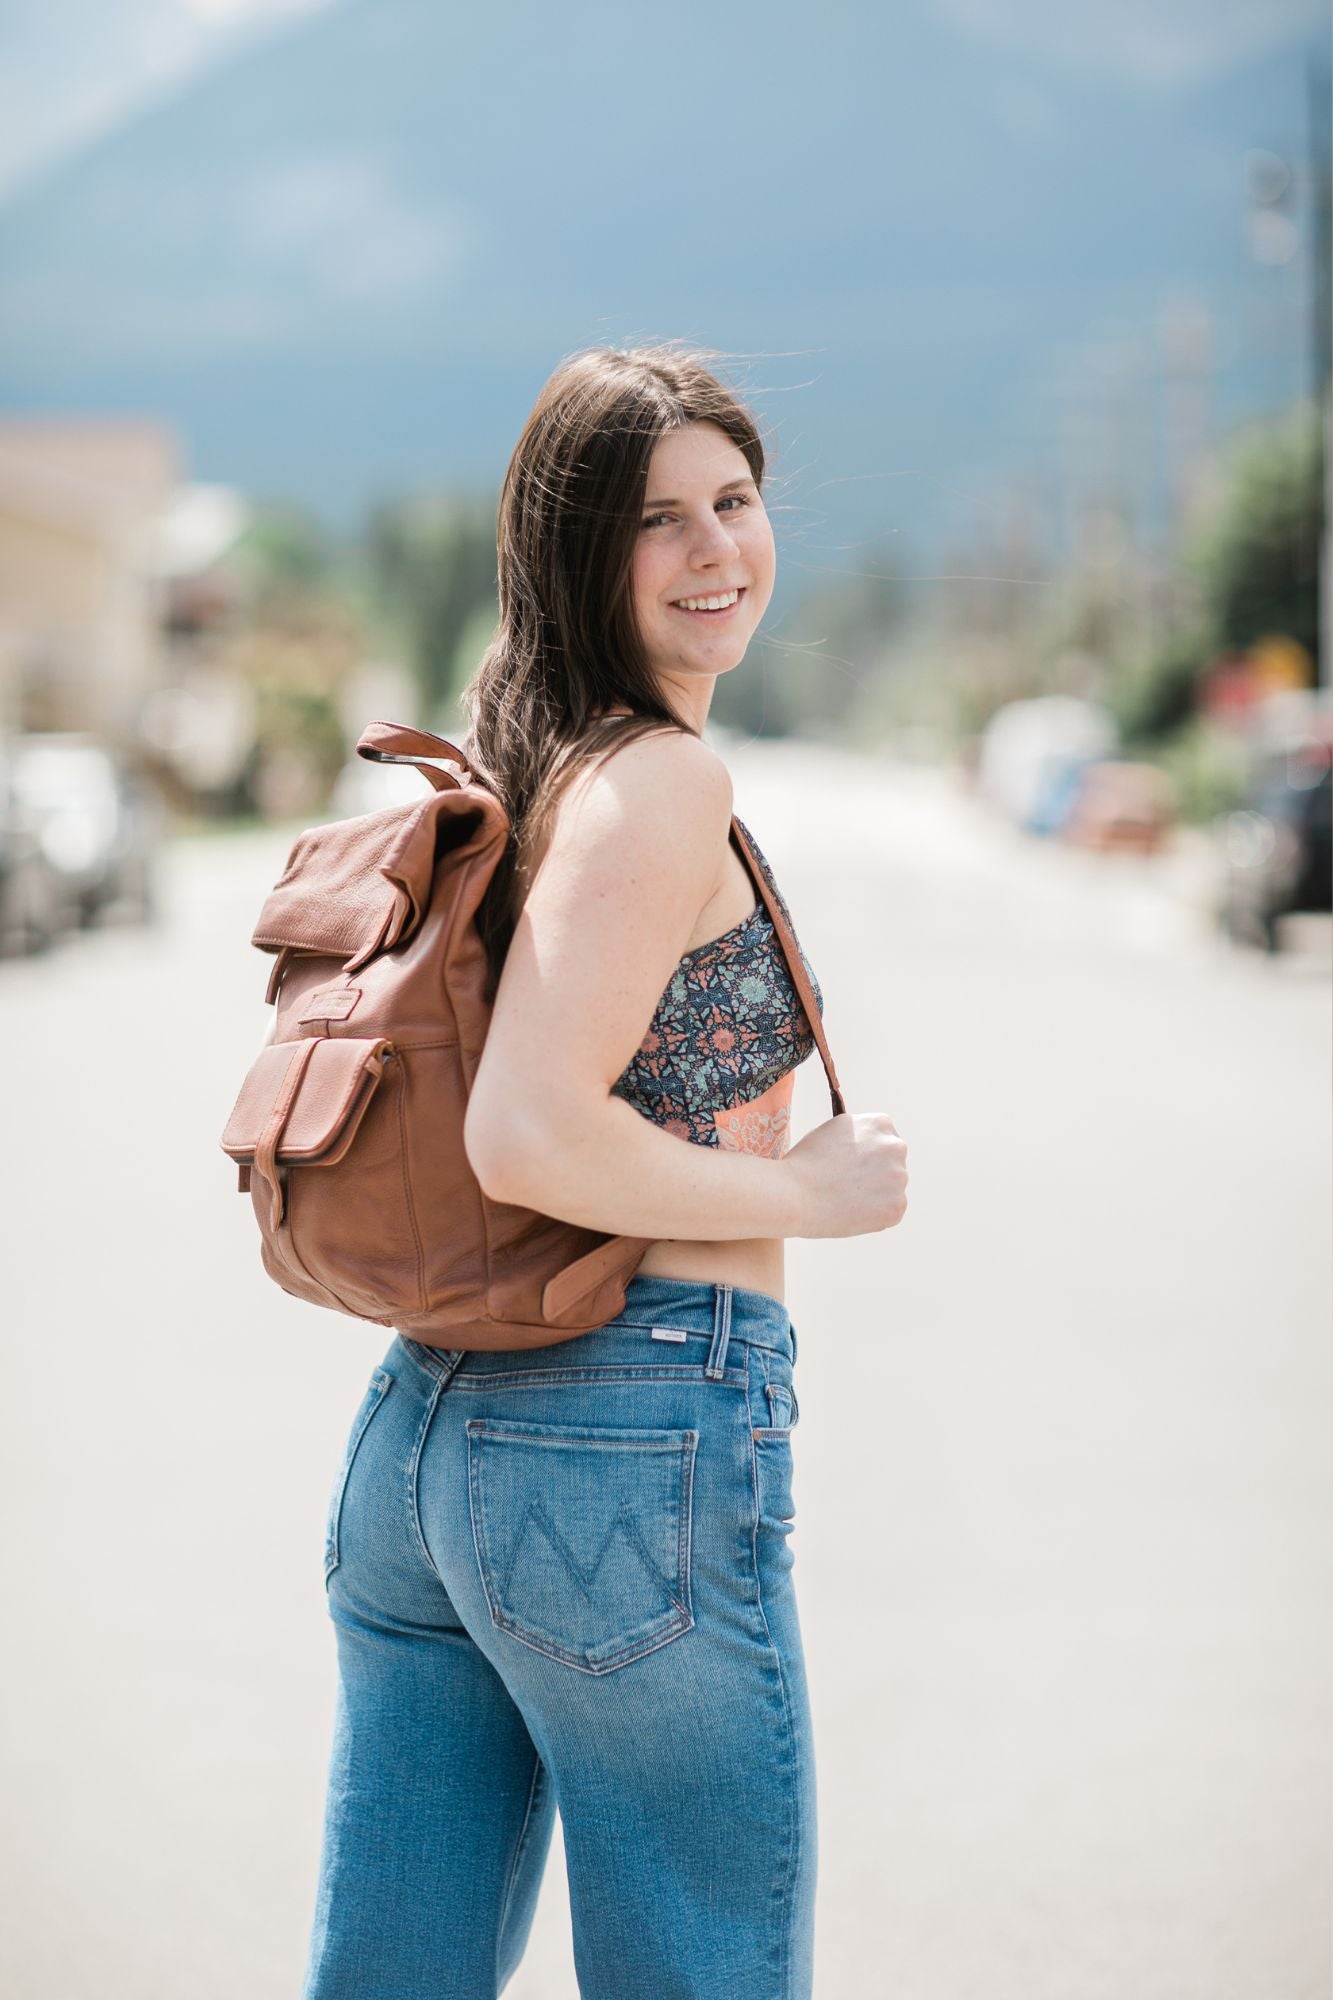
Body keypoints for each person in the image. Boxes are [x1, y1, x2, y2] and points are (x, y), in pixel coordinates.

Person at [300, 344, 909, 2000]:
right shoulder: (655, 783)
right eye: (661, 521)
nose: (720, 551)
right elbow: (526, 1128)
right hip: (623, 1436)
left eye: (735, 500)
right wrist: (810, 1197)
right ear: (578, 551)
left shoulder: (541, 760)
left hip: (434, 1433)